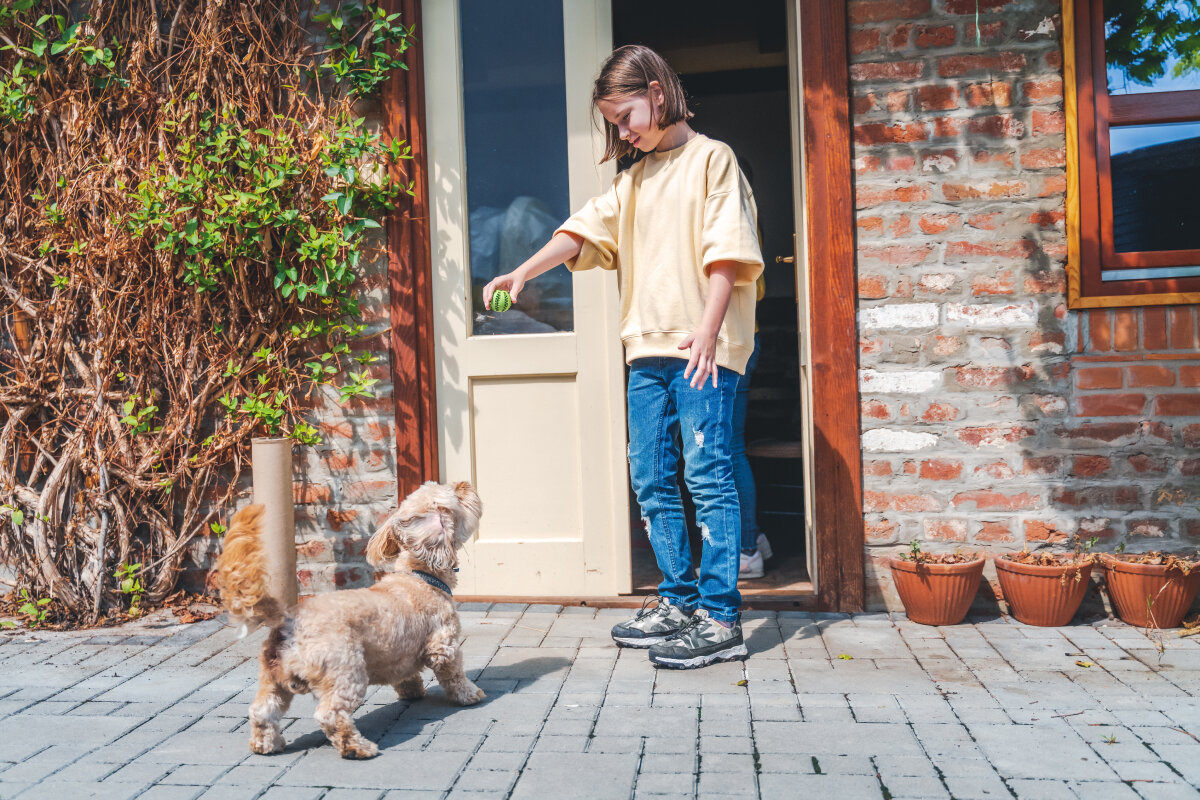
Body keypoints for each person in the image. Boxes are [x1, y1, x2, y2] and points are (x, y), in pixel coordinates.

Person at [483, 44, 763, 669]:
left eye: (626, 114)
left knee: (708, 477)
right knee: (652, 479)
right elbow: (579, 231)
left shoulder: (712, 161)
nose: (622, 129)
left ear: (658, 95)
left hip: (702, 350)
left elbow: (727, 256)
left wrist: (710, 332)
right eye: (613, 121)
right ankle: (679, 602)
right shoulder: (631, 181)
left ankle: (720, 619)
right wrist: (521, 272)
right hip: (647, 352)